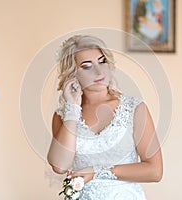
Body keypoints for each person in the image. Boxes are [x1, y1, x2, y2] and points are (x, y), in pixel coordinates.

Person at [47, 35, 163, 199]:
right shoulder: (63, 116)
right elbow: (59, 166)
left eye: (102, 62)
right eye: (87, 66)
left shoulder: (135, 109)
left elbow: (155, 171)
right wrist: (72, 108)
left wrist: (97, 172)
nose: (99, 71)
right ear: (73, 74)